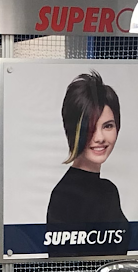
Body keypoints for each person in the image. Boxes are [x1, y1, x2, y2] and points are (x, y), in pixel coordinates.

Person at [46, 71, 128, 238]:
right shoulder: (65, 196)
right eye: (89, 127)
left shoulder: (108, 190)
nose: (99, 138)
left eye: (108, 126)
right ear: (72, 131)